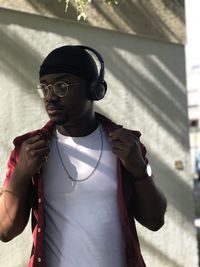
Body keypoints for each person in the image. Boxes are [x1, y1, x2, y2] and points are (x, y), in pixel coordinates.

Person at [0, 45, 167, 267]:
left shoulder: (127, 146)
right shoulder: (27, 150)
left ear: (96, 89)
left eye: (61, 86)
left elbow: (155, 220)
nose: (50, 97)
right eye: (45, 87)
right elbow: (4, 230)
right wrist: (21, 174)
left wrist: (138, 170)